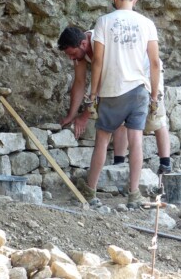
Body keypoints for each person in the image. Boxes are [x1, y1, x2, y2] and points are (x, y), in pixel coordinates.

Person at [57, 27, 172, 204]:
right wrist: (72, 115)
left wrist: (85, 115)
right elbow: (79, 82)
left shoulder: (102, 42)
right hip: (123, 80)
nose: (72, 58)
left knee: (155, 120)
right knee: (122, 121)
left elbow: (101, 84)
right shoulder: (80, 50)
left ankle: (165, 163)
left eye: (73, 54)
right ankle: (121, 168)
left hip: (145, 75)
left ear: (83, 43)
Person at [85, 0, 162, 209]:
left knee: (102, 140)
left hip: (112, 89)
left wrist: (93, 93)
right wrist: (155, 95)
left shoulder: (104, 22)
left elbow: (97, 60)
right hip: (140, 89)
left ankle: (90, 190)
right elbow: (155, 62)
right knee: (136, 140)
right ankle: (134, 194)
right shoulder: (147, 23)